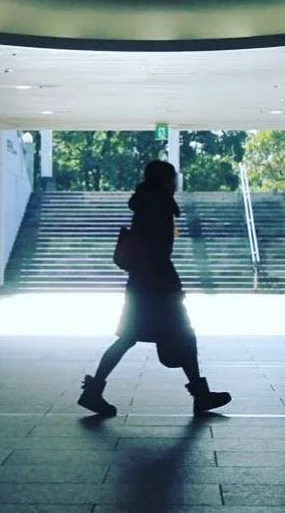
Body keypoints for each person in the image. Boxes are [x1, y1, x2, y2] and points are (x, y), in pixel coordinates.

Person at [78, 159, 232, 417]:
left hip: (143, 285)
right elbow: (157, 252)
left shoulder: (147, 202)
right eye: (173, 178)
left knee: (130, 338)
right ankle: (200, 394)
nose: (175, 183)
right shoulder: (158, 205)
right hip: (157, 288)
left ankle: (94, 390)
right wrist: (171, 285)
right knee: (183, 334)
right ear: (164, 180)